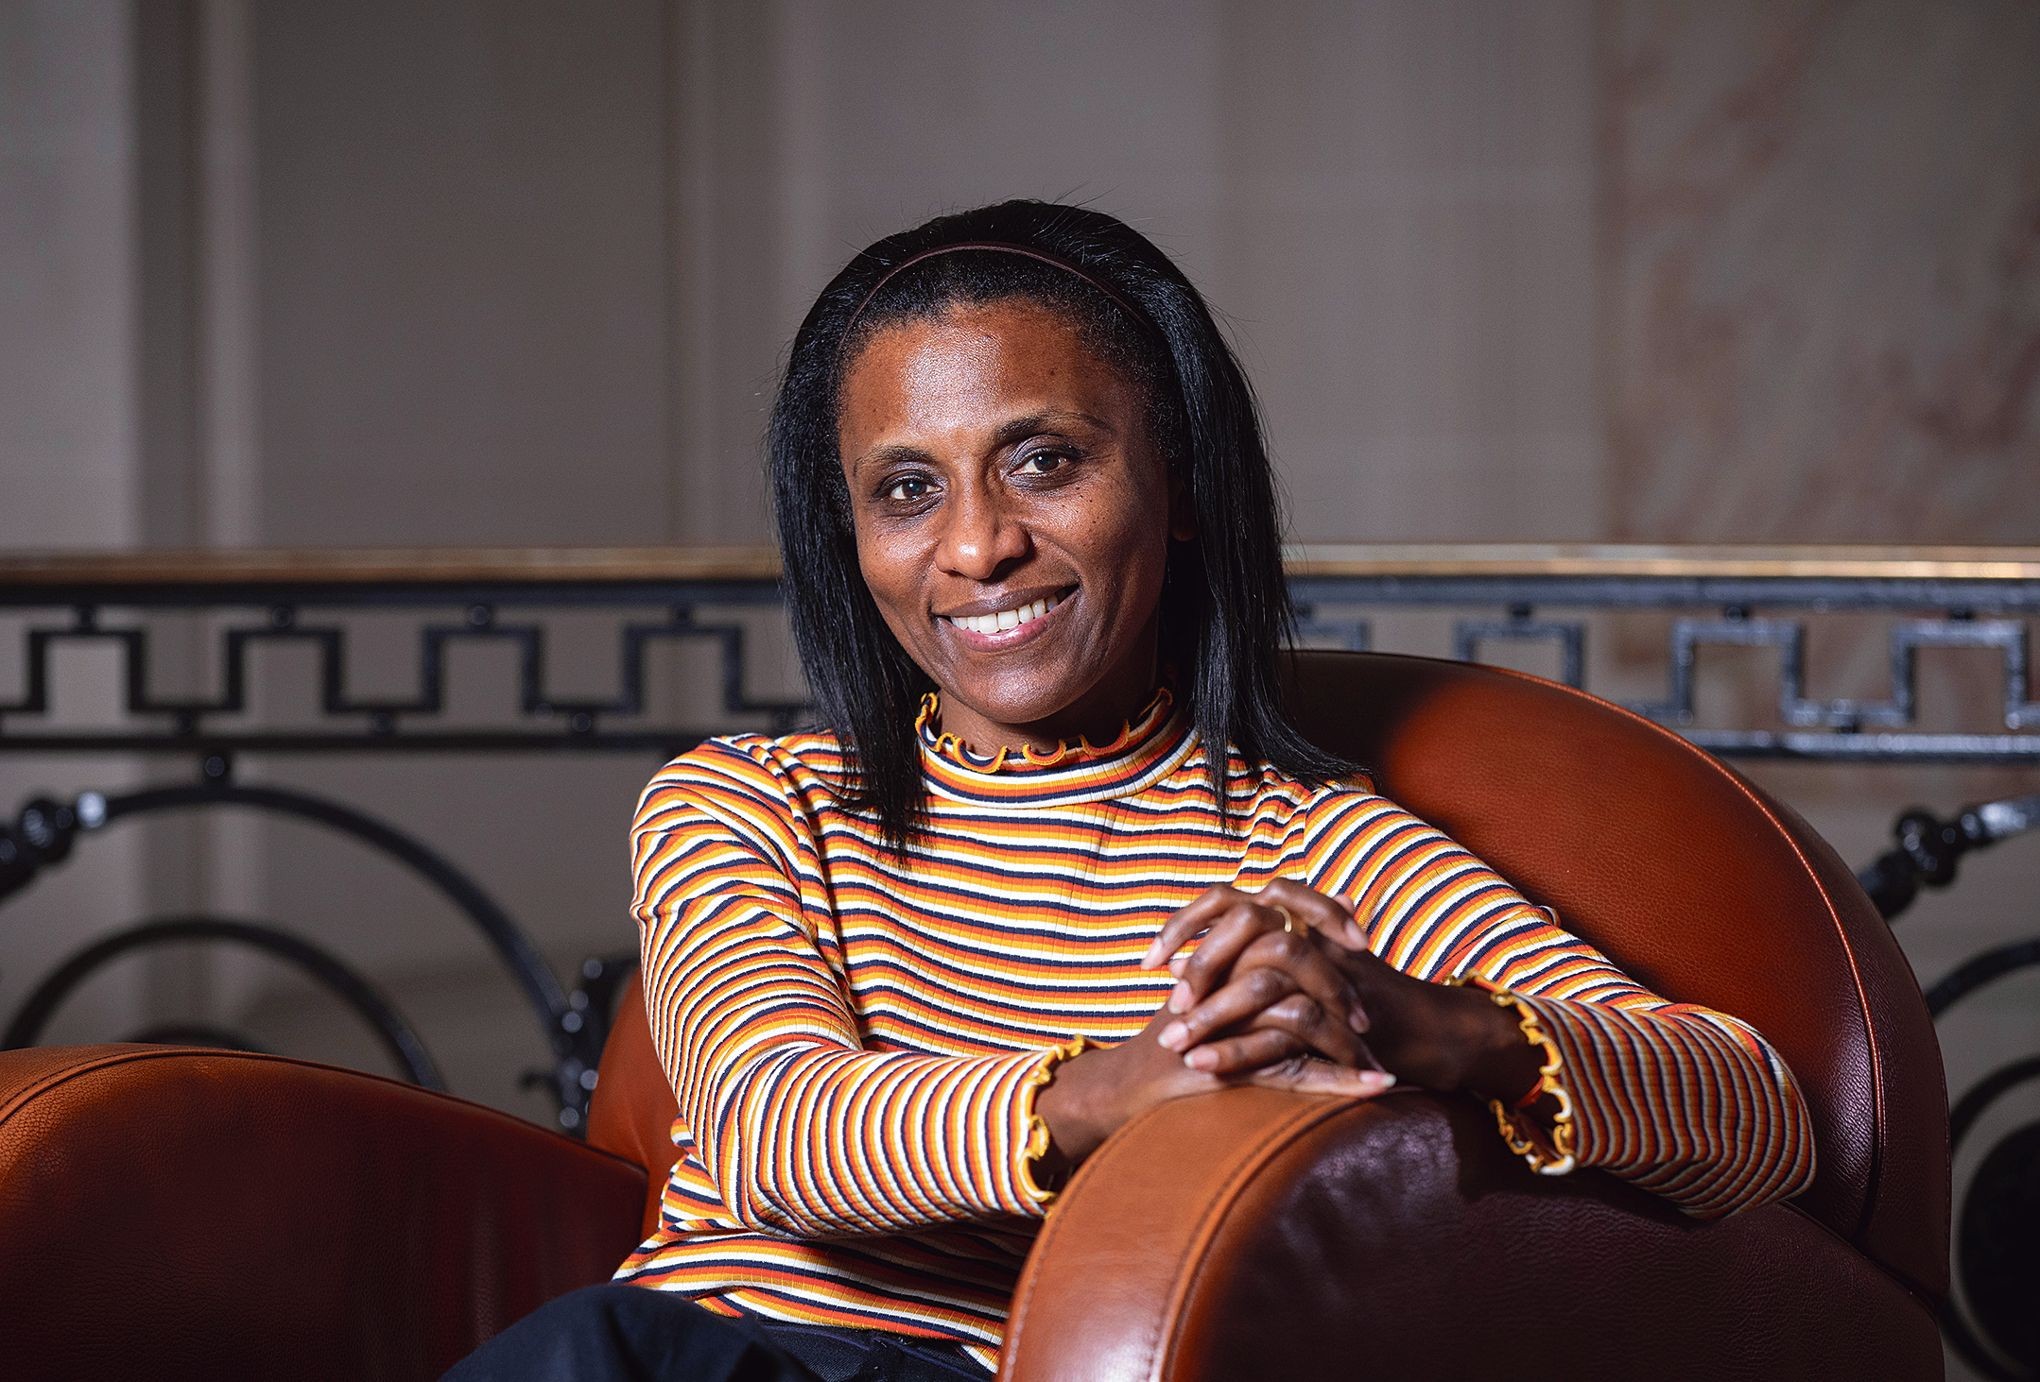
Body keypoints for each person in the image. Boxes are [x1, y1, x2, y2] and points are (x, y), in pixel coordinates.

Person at [449, 200, 1816, 1382]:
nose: (977, 545)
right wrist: (1124, 1087)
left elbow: (1756, 1114)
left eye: (1044, 460)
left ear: (1181, 487)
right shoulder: (750, 805)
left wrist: (1413, 1024)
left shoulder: (1317, 848)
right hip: (679, 1350)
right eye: (906, 488)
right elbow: (776, 1133)